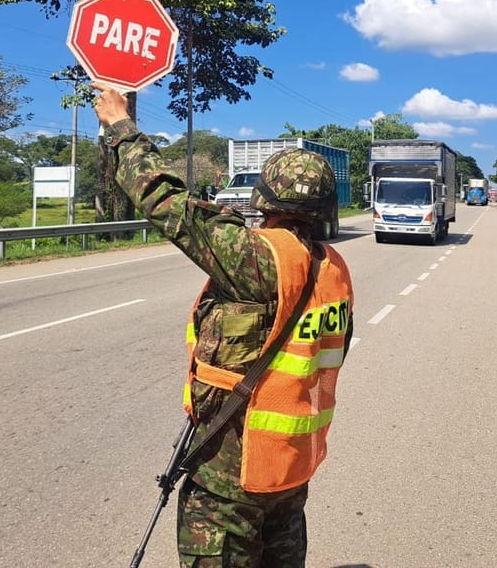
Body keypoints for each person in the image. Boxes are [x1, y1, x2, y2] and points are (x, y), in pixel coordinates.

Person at [92, 82, 354, 568]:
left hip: (233, 474)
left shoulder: (260, 257)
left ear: (264, 201)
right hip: (291, 467)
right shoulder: (333, 269)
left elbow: (167, 202)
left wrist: (120, 127)